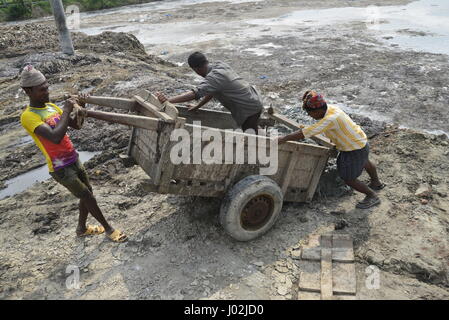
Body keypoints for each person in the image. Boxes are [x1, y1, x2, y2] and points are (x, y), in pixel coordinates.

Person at [19, 65, 127, 242]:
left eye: (47, 87)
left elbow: (76, 125)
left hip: (73, 158)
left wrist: (80, 106)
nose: (47, 92)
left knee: (87, 193)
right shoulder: (28, 116)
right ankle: (108, 229)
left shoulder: (52, 107)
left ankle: (81, 229)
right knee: (87, 196)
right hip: (59, 167)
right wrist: (67, 109)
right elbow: (54, 137)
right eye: (42, 90)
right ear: (28, 91)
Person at [277, 90, 385, 209]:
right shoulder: (332, 109)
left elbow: (306, 133)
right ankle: (376, 183)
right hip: (361, 143)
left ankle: (372, 196)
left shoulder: (330, 119)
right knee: (365, 161)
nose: (309, 116)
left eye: (309, 113)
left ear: (318, 111)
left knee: (348, 178)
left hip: (352, 149)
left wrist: (283, 139)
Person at [156, 52, 263, 132]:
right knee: (251, 128)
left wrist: (168, 100)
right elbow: (211, 92)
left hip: (249, 107)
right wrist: (197, 106)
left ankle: (267, 148)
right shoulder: (219, 65)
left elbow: (195, 93)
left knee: (250, 134)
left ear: (196, 69)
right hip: (253, 98)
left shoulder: (213, 78)